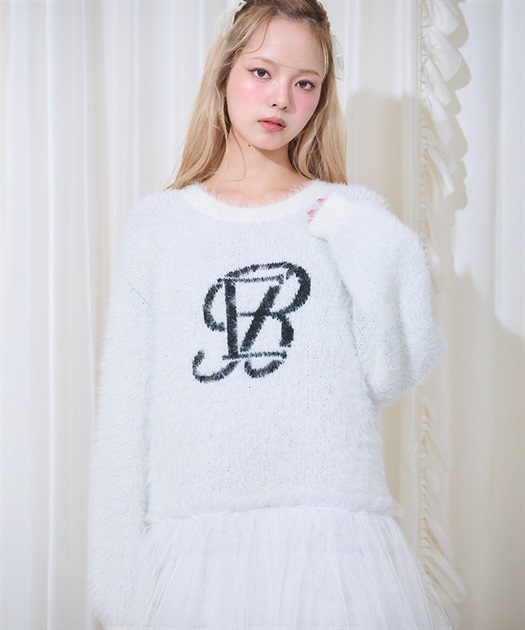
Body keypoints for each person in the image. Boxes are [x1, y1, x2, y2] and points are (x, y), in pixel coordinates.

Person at [88, 1, 452, 628]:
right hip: (197, 546)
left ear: (321, 97)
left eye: (305, 83)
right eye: (261, 72)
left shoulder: (346, 217)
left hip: (330, 547)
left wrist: (373, 244)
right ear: (224, 72)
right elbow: (124, 413)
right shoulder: (159, 228)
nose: (281, 97)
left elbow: (392, 372)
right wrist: (118, 580)